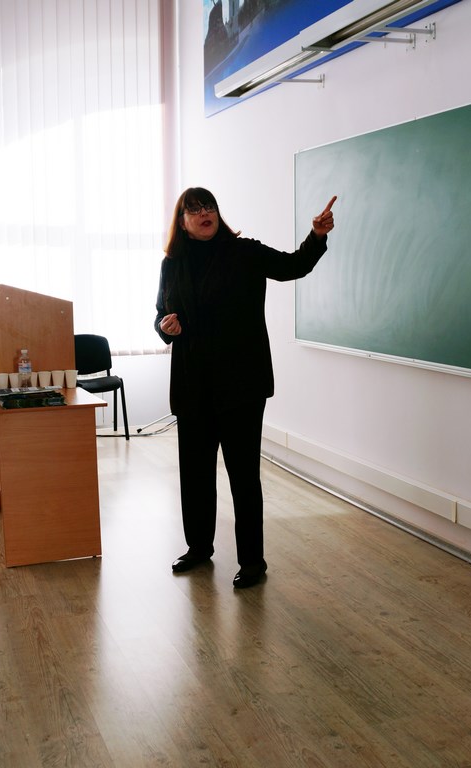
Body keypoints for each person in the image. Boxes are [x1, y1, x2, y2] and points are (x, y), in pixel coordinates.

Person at [155, 187, 337, 589]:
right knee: (195, 475)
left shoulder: (244, 252)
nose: (205, 213)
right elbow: (161, 313)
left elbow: (293, 266)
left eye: (209, 206)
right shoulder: (172, 264)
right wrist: (166, 327)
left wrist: (317, 236)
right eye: (195, 209)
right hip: (192, 385)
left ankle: (252, 561)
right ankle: (198, 548)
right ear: (182, 222)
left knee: (243, 476)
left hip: (240, 385)